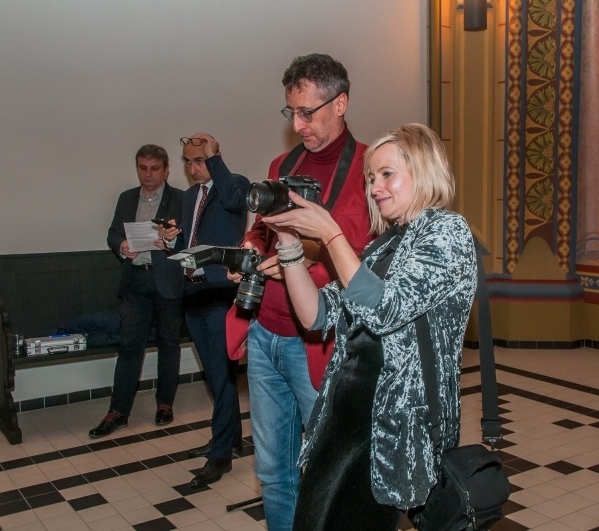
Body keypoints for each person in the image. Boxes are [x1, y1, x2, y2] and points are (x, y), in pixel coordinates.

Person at [261, 123, 478, 531]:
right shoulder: (384, 244)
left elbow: (387, 309)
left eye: (387, 174)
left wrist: (330, 233)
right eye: (371, 178)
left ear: (424, 170)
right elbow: (317, 317)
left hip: (393, 425)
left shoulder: (447, 233)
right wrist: (289, 246)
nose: (375, 187)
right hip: (344, 413)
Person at [229, 53, 372, 531]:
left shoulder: (371, 169)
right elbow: (260, 229)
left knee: (335, 467)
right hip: (266, 332)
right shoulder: (282, 162)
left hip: (317, 341)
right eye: (291, 112)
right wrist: (248, 251)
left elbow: (355, 248)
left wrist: (304, 251)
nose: (299, 124)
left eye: (308, 112)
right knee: (273, 472)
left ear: (341, 103)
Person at [172, 133, 250, 488]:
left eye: (199, 160)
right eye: (188, 161)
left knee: (221, 374)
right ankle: (230, 437)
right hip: (193, 293)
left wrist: (215, 156)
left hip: (220, 294)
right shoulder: (188, 197)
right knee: (214, 374)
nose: (193, 168)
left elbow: (235, 201)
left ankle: (220, 455)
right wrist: (170, 238)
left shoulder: (233, 186)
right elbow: (189, 240)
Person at [90, 144, 184, 438]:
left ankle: (165, 403)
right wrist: (121, 246)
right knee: (130, 346)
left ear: (166, 169)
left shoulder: (180, 199)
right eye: (143, 168)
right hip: (136, 280)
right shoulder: (127, 198)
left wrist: (170, 242)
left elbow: (190, 240)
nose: (148, 174)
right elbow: (113, 233)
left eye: (155, 168)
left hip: (167, 280)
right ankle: (118, 411)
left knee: (169, 344)